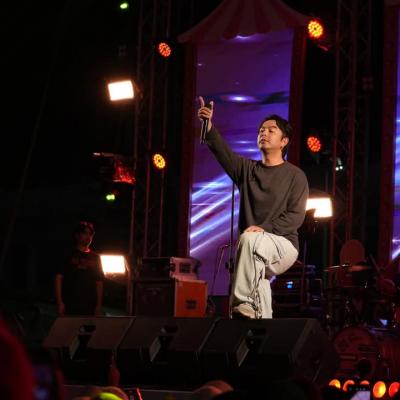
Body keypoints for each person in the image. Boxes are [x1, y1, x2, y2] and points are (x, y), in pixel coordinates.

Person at [198, 97, 308, 319]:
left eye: (271, 130)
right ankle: (262, 324)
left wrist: (264, 229)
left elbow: (296, 217)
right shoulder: (247, 170)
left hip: (283, 244)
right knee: (258, 279)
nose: (264, 133)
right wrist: (208, 126)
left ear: (284, 141)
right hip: (254, 246)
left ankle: (242, 304)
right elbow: (223, 153)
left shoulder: (295, 175)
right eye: (261, 130)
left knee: (249, 240)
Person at [55, 221, 104, 316]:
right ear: (77, 235)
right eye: (85, 233)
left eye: (90, 234)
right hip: (70, 304)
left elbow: (99, 282)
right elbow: (58, 278)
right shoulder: (68, 254)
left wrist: (99, 305)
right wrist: (60, 302)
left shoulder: (96, 257)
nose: (88, 237)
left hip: (89, 306)